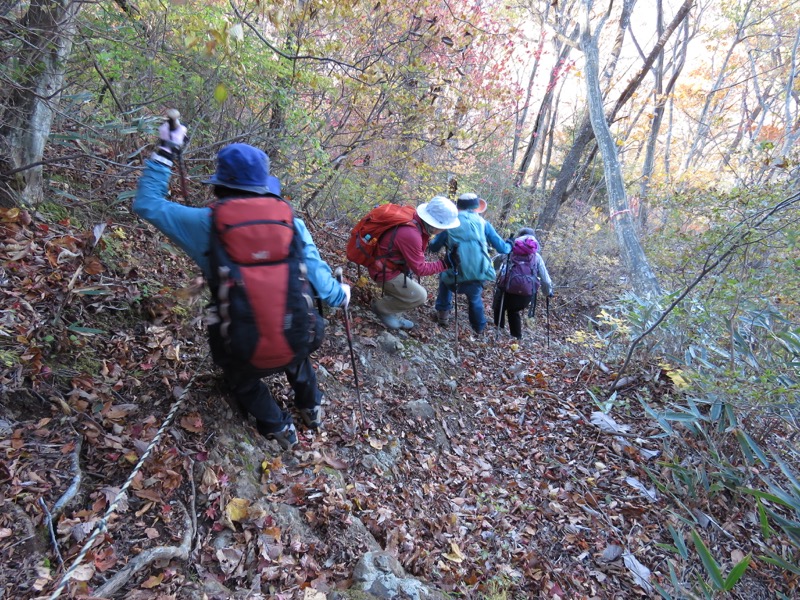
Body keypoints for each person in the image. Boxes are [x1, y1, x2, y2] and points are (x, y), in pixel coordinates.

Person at [133, 118, 350, 451]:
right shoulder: (291, 222)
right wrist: (342, 294)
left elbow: (148, 204)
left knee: (240, 376)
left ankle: (279, 428)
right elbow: (324, 285)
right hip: (298, 337)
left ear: (220, 183)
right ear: (264, 185)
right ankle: (311, 408)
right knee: (297, 351)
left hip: (242, 346)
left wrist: (167, 150)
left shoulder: (204, 224)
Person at [367, 196, 460, 330]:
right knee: (419, 296)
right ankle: (381, 308)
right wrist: (445, 264)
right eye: (444, 226)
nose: (445, 230)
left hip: (389, 266)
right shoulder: (411, 234)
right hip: (384, 272)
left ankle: (393, 313)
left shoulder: (415, 220)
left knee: (409, 284)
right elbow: (420, 269)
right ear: (435, 225)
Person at [428, 193, 511, 334]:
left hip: (455, 273)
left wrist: (430, 240)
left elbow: (434, 247)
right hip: (479, 272)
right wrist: (510, 244)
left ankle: (443, 314)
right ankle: (478, 328)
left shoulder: (450, 223)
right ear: (475, 208)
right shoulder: (484, 224)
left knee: (444, 277)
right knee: (474, 298)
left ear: (458, 207)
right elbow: (502, 248)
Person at [492, 227, 553, 339]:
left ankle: (498, 331)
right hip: (525, 295)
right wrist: (547, 292)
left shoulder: (510, 250)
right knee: (513, 311)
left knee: (499, 306)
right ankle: (516, 337)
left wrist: (491, 273)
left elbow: (494, 263)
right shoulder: (536, 257)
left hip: (507, 290)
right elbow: (546, 280)